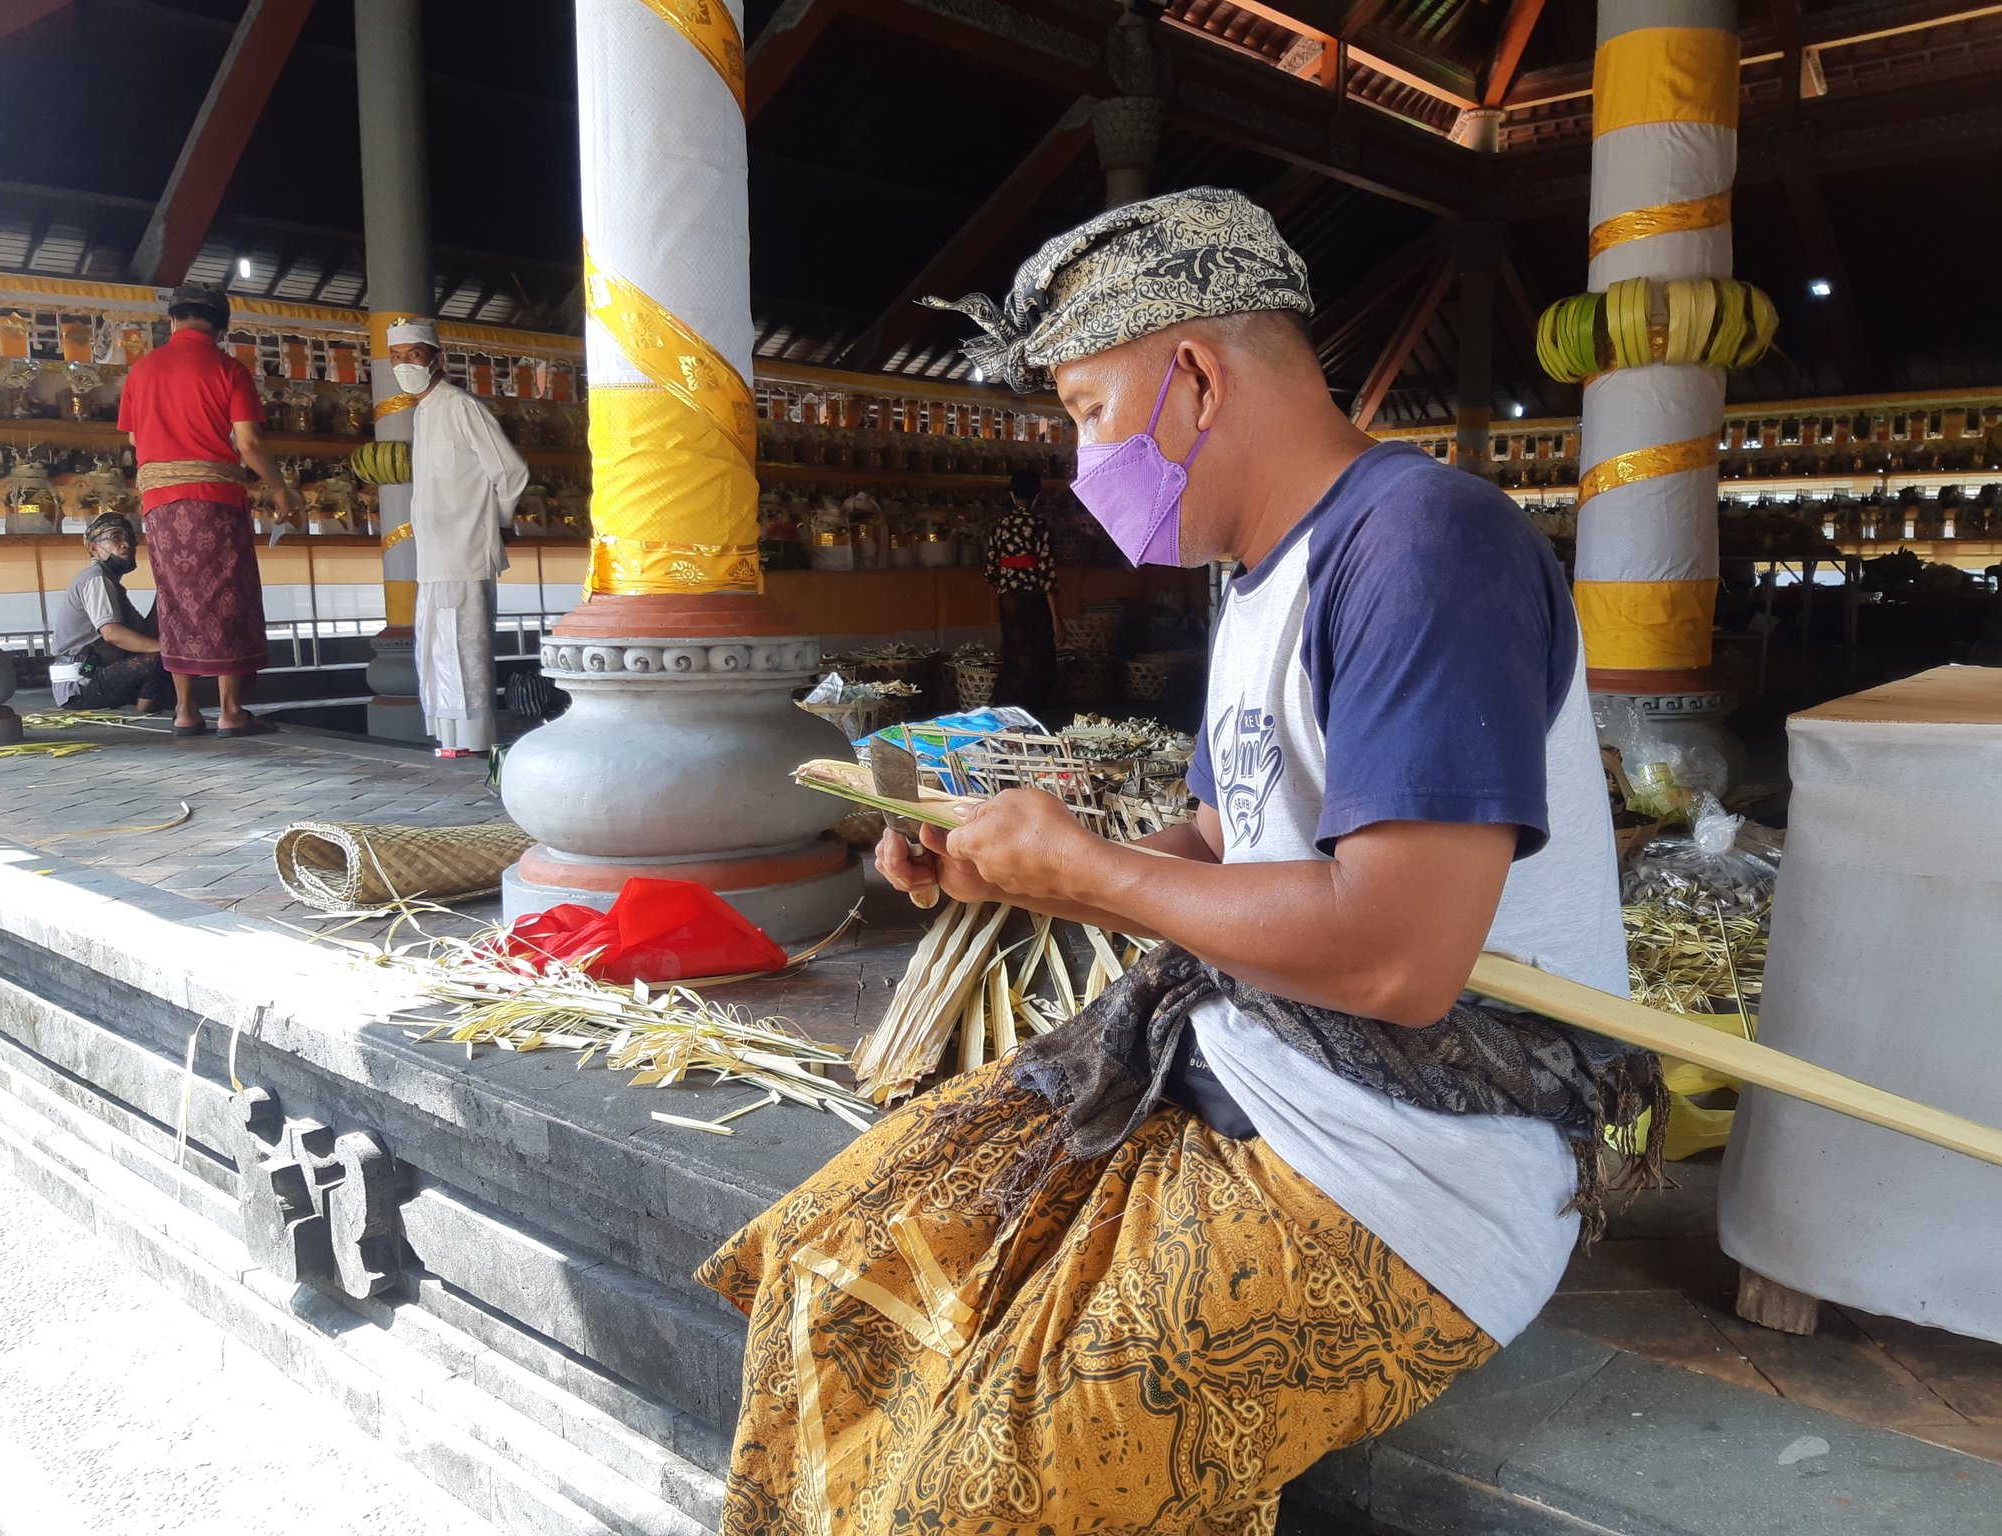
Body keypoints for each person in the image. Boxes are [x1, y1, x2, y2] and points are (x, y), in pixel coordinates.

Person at [698, 189, 1663, 1535]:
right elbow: (1222, 841)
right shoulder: (1261, 576)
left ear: (1195, 375)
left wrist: (1091, 877)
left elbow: (1398, 953)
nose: (1086, 459)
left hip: (1410, 1172)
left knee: (978, 1493)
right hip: (1237, 1071)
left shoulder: (1425, 545)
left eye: (1092, 411)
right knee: (833, 1260)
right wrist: (1022, 863)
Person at [118, 282, 299, 737]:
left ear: (172, 320)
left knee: (176, 599)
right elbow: (250, 443)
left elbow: (135, 441)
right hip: (215, 501)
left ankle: (184, 710)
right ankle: (231, 712)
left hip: (160, 504)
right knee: (226, 598)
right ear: (221, 328)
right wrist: (280, 488)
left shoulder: (140, 372)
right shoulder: (229, 370)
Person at [385, 317, 528, 759]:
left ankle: (473, 741)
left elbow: (511, 471)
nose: (404, 364)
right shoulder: (424, 411)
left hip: (465, 551)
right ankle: (451, 740)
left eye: (414, 355)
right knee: (438, 648)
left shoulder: (460, 405)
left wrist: (494, 523)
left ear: (436, 359)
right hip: (435, 557)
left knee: (464, 647)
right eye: (397, 357)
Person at [47, 512, 173, 715]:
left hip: (97, 675)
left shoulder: (110, 583)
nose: (126, 545)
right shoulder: (95, 578)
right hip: (82, 684)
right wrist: (170, 651)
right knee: (162, 659)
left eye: (130, 539)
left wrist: (164, 593)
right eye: (115, 537)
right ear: (94, 549)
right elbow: (112, 634)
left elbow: (144, 636)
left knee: (164, 657)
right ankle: (143, 716)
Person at [984, 466, 1062, 712]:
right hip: (1034, 597)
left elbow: (989, 572)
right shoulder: (1039, 525)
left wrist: (1008, 582)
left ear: (1011, 495)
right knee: (1041, 656)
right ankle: (1029, 711)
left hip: (1008, 597)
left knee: (1014, 653)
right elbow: (1048, 575)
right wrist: (1057, 620)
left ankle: (1002, 706)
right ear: (1037, 497)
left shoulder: (999, 525)